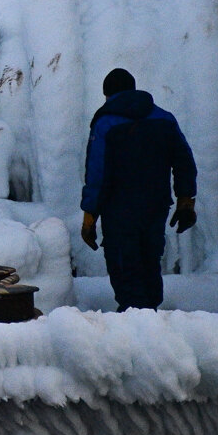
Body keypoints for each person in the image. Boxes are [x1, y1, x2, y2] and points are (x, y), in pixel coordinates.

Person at [80, 68, 198, 312]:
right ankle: (151, 315)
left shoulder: (106, 123)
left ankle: (134, 321)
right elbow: (184, 160)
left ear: (107, 94)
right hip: (156, 206)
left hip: (119, 210)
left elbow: (96, 173)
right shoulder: (164, 119)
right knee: (150, 259)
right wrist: (186, 200)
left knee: (124, 263)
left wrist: (89, 215)